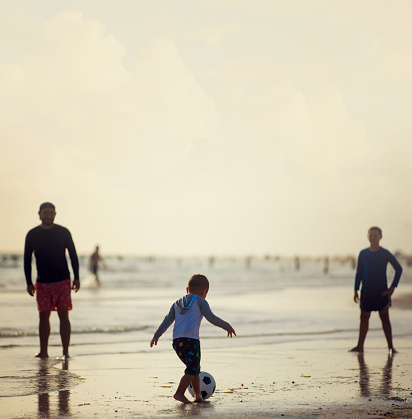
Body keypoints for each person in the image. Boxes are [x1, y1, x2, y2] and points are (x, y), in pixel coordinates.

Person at [150, 274, 236, 404]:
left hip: (177, 342)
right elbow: (211, 318)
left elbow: (166, 321)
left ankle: (198, 396)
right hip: (191, 341)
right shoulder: (201, 301)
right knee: (191, 369)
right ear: (204, 291)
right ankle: (179, 393)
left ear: (187, 290)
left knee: (195, 368)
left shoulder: (176, 303)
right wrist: (227, 326)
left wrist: (156, 335)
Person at [24, 202, 80, 359]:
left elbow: (73, 255)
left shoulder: (63, 232)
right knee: (43, 316)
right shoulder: (32, 234)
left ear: (55, 214)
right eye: (45, 213)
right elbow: (27, 260)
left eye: (50, 213)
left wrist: (76, 277)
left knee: (64, 315)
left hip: (62, 280)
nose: (48, 216)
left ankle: (65, 351)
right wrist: (28, 282)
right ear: (39, 214)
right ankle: (43, 351)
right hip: (42, 282)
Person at [350, 226, 402, 354]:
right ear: (367, 236)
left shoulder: (384, 253)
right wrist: (356, 289)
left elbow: (399, 269)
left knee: (385, 319)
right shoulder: (363, 253)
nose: (372, 237)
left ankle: (390, 347)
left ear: (380, 237)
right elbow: (359, 272)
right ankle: (360, 346)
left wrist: (392, 288)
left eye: (375, 235)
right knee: (363, 319)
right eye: (370, 234)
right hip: (366, 292)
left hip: (381, 292)